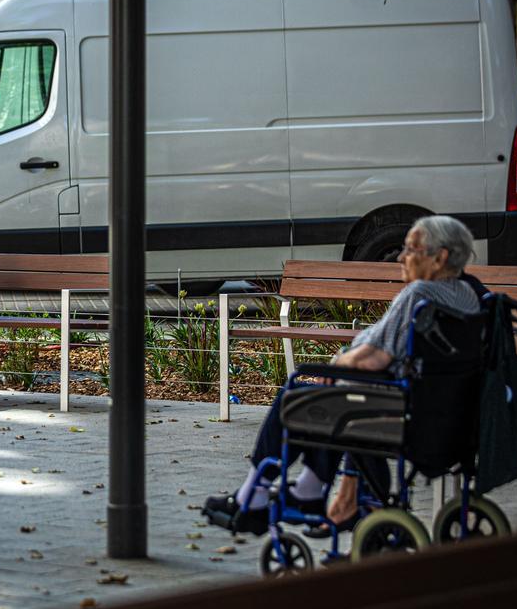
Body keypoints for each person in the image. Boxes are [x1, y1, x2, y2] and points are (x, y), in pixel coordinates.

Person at [203, 215, 482, 534]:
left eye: (411, 249)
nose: (402, 258)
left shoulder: (419, 294)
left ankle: (253, 496)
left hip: (397, 407)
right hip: (439, 408)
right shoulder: (468, 295)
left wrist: (335, 367)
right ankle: (309, 489)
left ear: (440, 257)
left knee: (297, 397)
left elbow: (376, 358)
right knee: (334, 400)